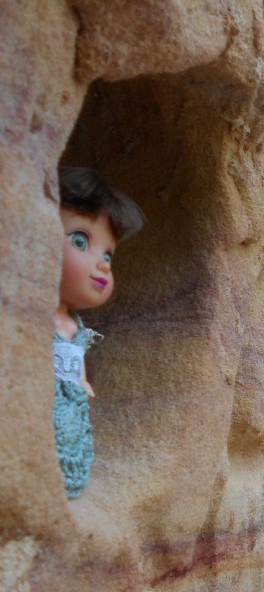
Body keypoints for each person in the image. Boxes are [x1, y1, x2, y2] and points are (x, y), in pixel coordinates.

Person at [53, 166, 145, 498]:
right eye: (80, 241)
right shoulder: (37, 316)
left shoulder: (73, 324)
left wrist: (82, 382)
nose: (104, 264)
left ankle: (66, 475)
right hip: (42, 399)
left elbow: (74, 358)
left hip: (71, 402)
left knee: (70, 437)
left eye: (108, 254)